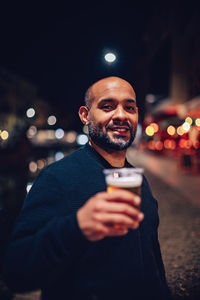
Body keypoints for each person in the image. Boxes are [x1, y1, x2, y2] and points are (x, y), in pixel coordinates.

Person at [3, 76, 171, 300]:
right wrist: (77, 227)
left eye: (129, 107)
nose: (121, 115)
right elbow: (17, 271)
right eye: (107, 106)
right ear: (85, 115)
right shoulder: (56, 178)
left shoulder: (138, 181)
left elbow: (151, 256)